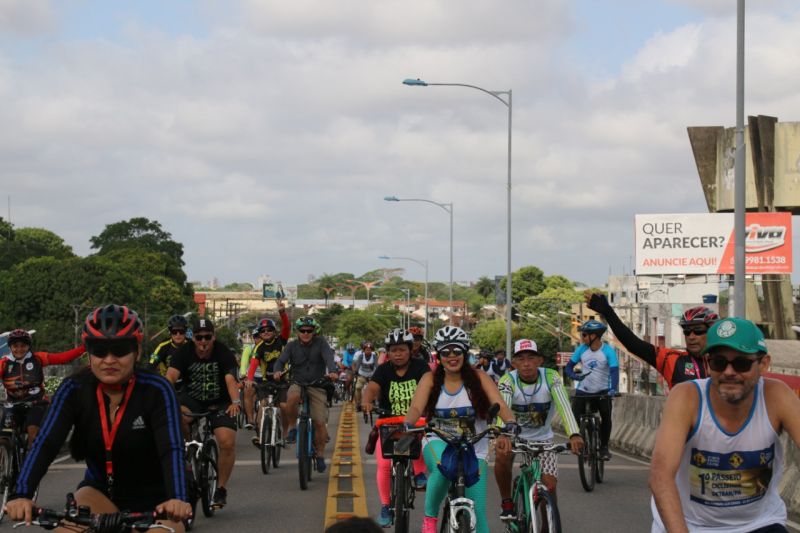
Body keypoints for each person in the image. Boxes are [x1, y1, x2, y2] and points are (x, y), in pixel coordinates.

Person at [6, 305, 191, 530]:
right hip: (99, 491)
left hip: (157, 498)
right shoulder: (73, 388)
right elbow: (46, 443)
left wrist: (178, 497)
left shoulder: (157, 389)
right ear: (89, 353)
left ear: (137, 351)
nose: (109, 359)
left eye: (120, 349)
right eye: (100, 350)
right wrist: (21, 494)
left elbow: (171, 449)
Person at [649, 317, 800, 533]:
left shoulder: (777, 396)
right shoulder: (686, 397)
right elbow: (660, 475)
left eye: (741, 363)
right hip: (690, 525)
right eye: (719, 363)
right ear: (708, 364)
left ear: (764, 364)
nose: (729, 372)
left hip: (759, 524)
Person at [404, 326, 517, 533]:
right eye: (445, 352)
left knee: (479, 514)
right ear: (440, 356)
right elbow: (416, 408)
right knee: (442, 468)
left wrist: (510, 423)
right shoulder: (429, 379)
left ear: (465, 353)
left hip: (475, 446)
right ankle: (430, 519)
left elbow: (500, 405)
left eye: (456, 351)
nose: (451, 356)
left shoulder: (480, 378)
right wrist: (408, 423)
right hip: (437, 440)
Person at [495, 339, 583, 521]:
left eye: (531, 358)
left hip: (543, 439)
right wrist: (503, 434)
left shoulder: (551, 377)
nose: (526, 364)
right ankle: (507, 503)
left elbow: (564, 406)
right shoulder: (507, 381)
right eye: (521, 359)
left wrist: (574, 434)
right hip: (514, 437)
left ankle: (547, 523)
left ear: (540, 360)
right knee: (502, 455)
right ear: (514, 363)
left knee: (549, 486)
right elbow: (503, 408)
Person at [166, 318, 239, 509]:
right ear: (193, 338)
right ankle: (190, 446)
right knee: (179, 416)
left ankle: (221, 489)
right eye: (199, 337)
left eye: (208, 337)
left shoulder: (223, 352)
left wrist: (235, 402)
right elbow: (171, 376)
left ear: (213, 337)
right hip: (193, 400)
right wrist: (164, 398)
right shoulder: (184, 352)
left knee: (227, 442)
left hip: (220, 401)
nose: (203, 341)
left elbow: (231, 380)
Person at [362, 329, 430, 527]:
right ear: (388, 353)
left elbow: (430, 388)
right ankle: (385, 506)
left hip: (416, 423)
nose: (398, 354)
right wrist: (366, 401)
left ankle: (419, 473)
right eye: (393, 350)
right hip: (388, 424)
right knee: (383, 465)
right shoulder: (383, 370)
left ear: (410, 350)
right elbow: (372, 388)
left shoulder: (420, 367)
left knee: (423, 443)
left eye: (402, 349)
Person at [586, 293, 719, 389]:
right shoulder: (672, 359)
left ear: (712, 331)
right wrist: (608, 313)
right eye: (686, 331)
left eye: (698, 331)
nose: (691, 336)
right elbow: (633, 344)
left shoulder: (727, 362)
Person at [274, 316, 338, 473]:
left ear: (314, 331)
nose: (306, 333)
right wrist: (277, 370)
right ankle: (292, 427)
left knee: (319, 423)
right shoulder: (291, 346)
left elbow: (329, 358)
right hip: (298, 383)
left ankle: (321, 455)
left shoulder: (322, 343)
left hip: (318, 385)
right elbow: (280, 361)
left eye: (309, 331)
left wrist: (333, 371)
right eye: (302, 330)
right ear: (297, 332)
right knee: (292, 398)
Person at [1, 329, 85, 446]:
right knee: (3, 436)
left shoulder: (38, 358)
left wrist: (84, 348)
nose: (19, 349)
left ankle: (30, 460)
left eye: (23, 346)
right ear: (10, 347)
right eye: (15, 346)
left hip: (36, 403)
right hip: (12, 404)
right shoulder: (4, 363)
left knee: (33, 433)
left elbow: (62, 357)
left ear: (28, 346)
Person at [565, 319, 619, 461]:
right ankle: (580, 441)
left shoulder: (608, 351)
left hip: (602, 391)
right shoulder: (582, 350)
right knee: (574, 415)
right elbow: (568, 367)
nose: (582, 338)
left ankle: (604, 447)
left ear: (594, 336)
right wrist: (574, 376)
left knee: (606, 417)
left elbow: (614, 371)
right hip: (583, 391)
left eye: (585, 335)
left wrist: (613, 389)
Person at [243, 301, 290, 433]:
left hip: (282, 380)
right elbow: (253, 364)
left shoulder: (281, 340)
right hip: (266, 381)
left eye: (269, 330)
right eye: (262, 331)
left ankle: (286, 433)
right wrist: (249, 379)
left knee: (284, 406)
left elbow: (287, 327)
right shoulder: (259, 347)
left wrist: (282, 312)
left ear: (274, 331)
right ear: (259, 334)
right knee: (263, 406)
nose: (266, 332)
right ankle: (259, 434)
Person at [353, 341, 377, 411]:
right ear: (364, 350)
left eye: (369, 350)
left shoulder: (374, 356)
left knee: (375, 389)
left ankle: (373, 402)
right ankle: (358, 404)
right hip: (362, 375)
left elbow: (377, 365)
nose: (368, 351)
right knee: (357, 388)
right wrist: (356, 372)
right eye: (366, 350)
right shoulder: (361, 356)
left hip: (371, 376)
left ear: (372, 350)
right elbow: (357, 365)